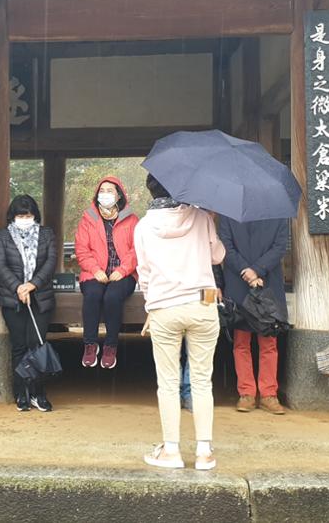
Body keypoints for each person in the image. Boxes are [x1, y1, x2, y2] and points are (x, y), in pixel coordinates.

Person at [135, 174, 225, 471]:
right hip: (202, 303)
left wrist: (151, 306)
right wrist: (212, 222)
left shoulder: (143, 226)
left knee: (168, 382)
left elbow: (144, 273)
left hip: (164, 306)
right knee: (201, 380)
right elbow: (218, 256)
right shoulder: (201, 217)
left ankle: (171, 450)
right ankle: (204, 452)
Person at [218, 217, 290, 415]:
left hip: (267, 283)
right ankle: (246, 392)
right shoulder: (229, 216)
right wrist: (247, 271)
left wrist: (256, 270)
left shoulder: (277, 215)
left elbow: (280, 247)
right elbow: (226, 247)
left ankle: (269, 394)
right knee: (241, 342)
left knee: (269, 341)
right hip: (238, 284)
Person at [0, 194, 58, 412]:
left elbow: (50, 262)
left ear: (35, 215)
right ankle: (21, 393)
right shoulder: (3, 236)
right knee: (19, 346)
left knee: (36, 344)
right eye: (20, 216)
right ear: (13, 216)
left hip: (40, 298)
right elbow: (0, 265)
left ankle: (39, 393)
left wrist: (32, 285)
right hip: (13, 299)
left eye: (28, 215)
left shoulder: (46, 234)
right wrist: (18, 287)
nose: (24, 219)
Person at [74, 176, 138, 370]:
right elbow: (81, 249)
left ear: (119, 195)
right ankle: (90, 345)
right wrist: (95, 270)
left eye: (110, 191)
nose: (105, 194)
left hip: (123, 274)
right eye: (102, 191)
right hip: (93, 272)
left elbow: (136, 249)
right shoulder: (88, 218)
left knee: (112, 296)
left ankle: (110, 346)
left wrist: (123, 270)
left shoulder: (131, 219)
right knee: (93, 295)